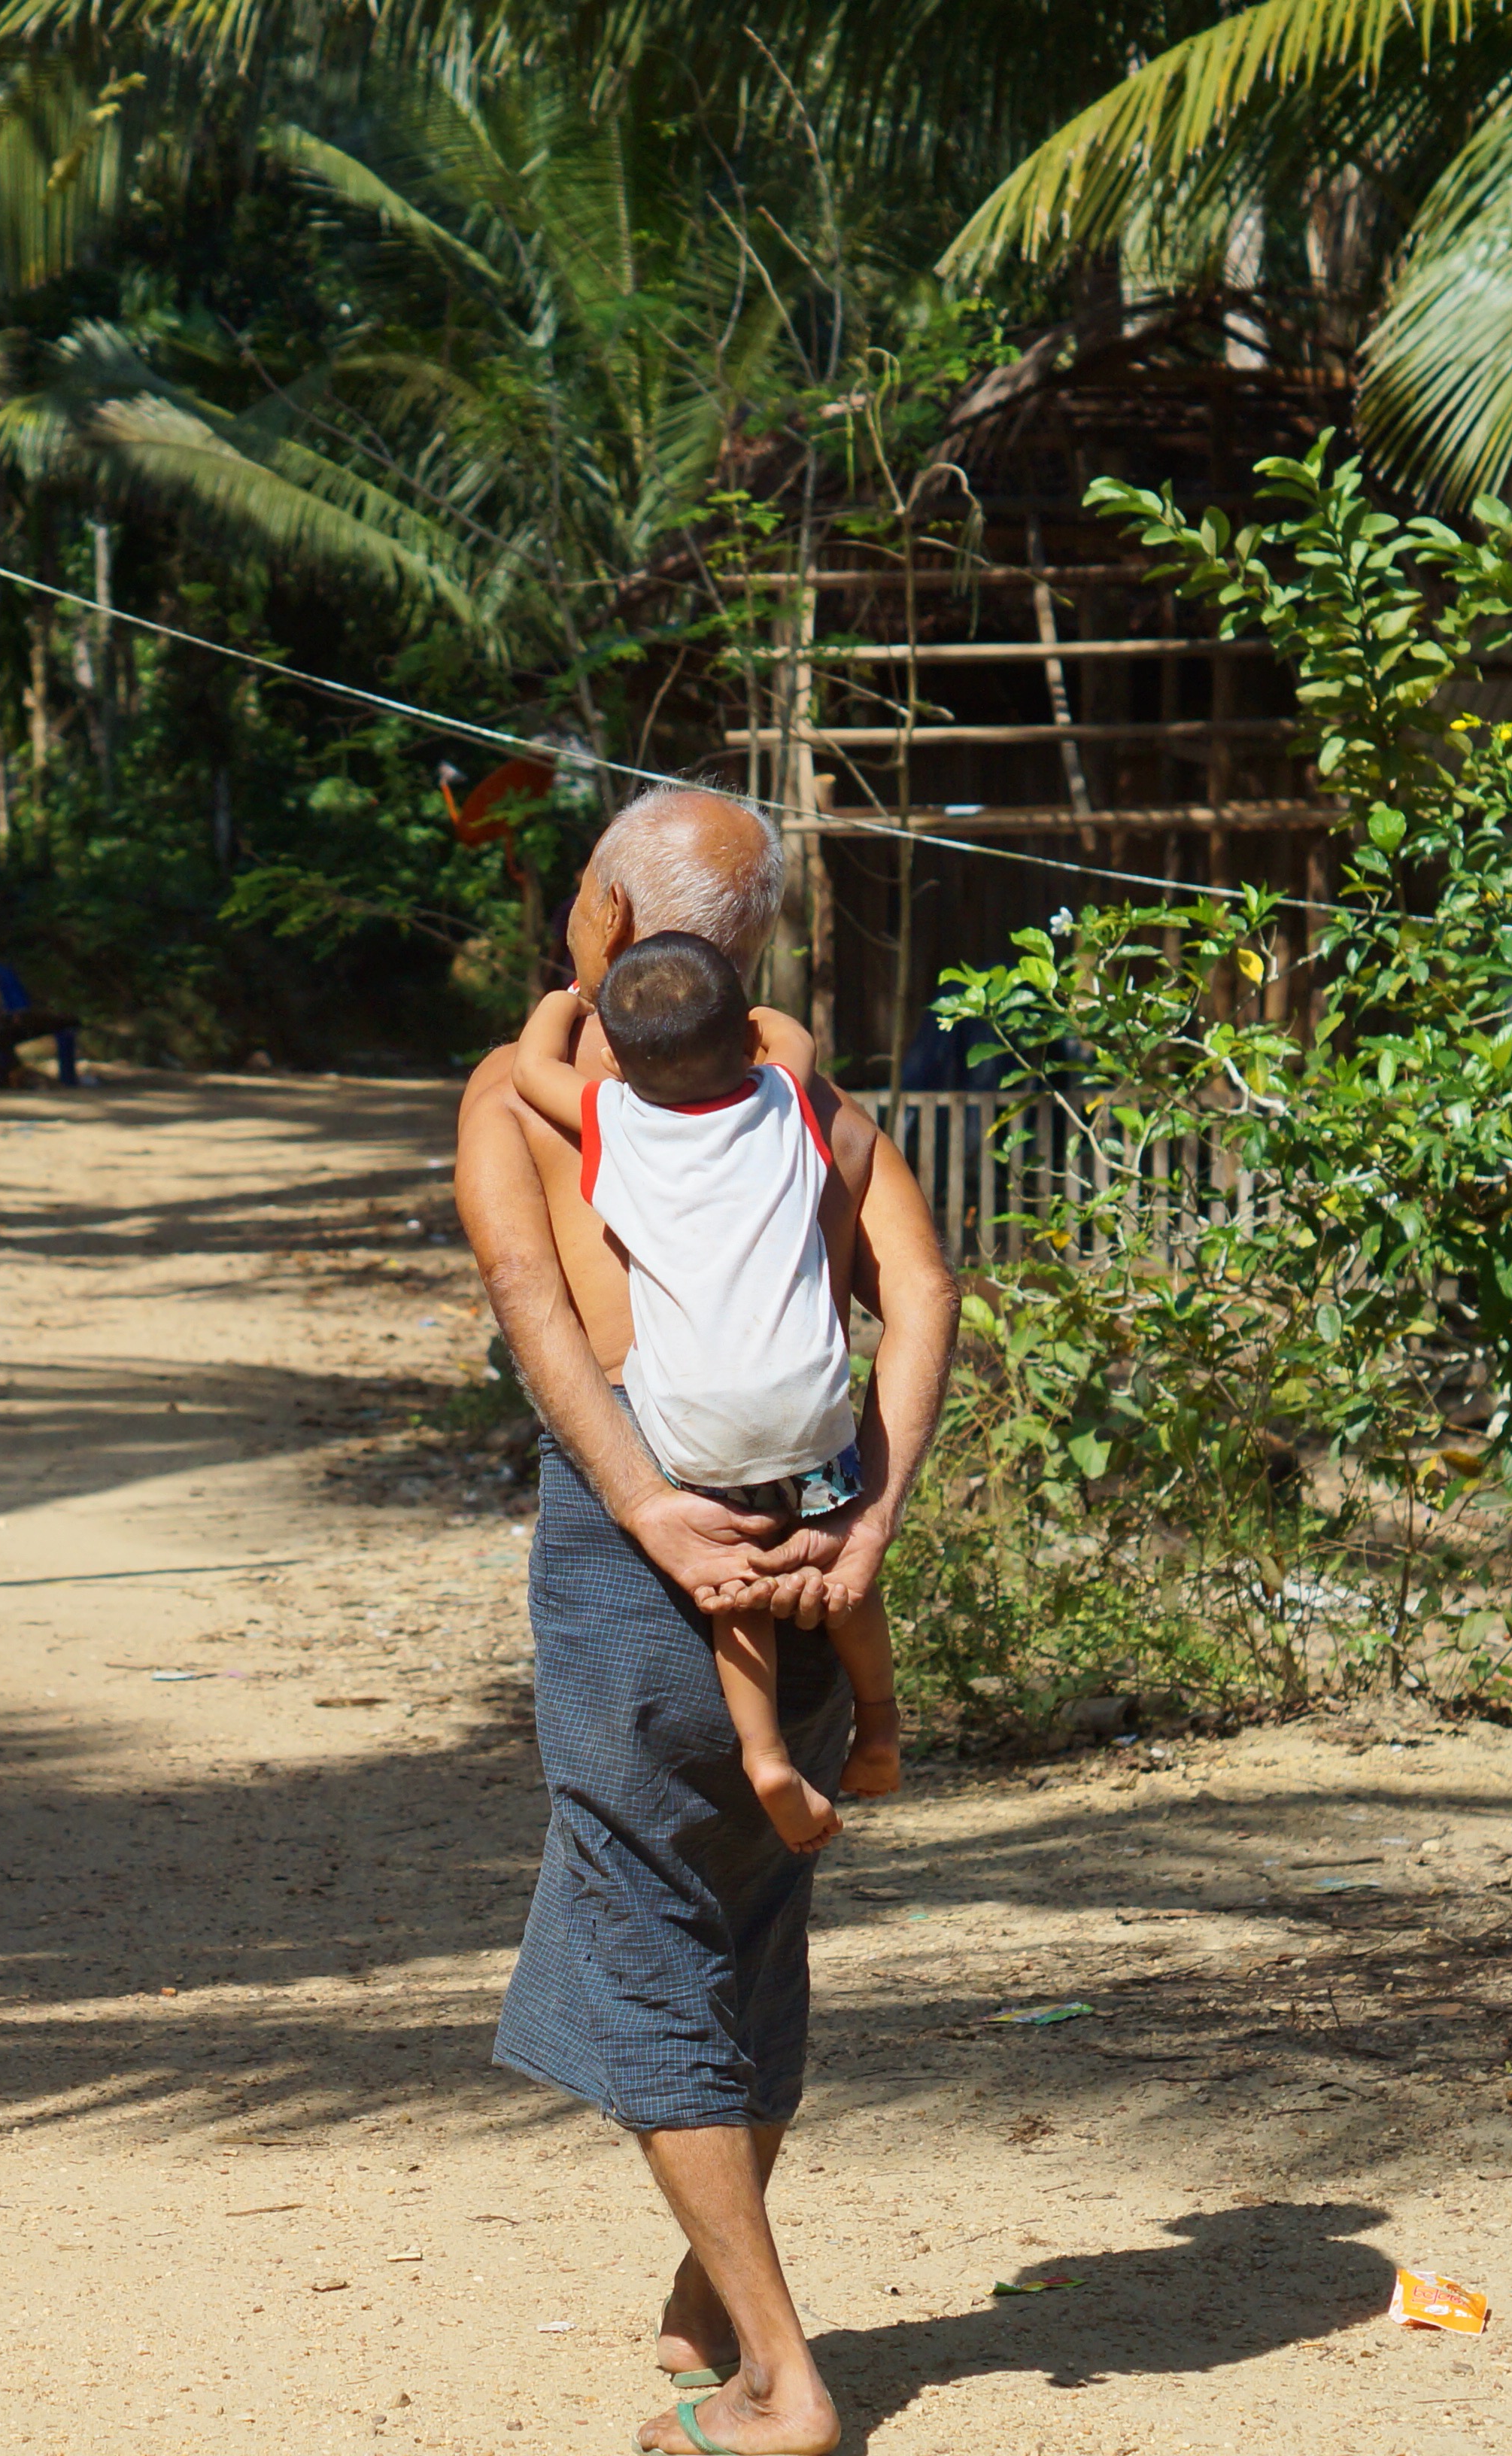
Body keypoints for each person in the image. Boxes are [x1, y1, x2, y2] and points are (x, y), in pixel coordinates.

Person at [455, 785, 953, 2456]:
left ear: (600, 927)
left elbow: (540, 1317)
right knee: (744, 1929)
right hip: (815, 1548)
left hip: (642, 1562)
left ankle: (779, 2379)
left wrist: (654, 1513)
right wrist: (870, 1519)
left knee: (642, 1938)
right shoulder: (792, 1081)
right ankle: (703, 2299)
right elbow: (921, 1289)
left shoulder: (527, 1104)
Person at [502, 936, 901, 1848]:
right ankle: (877, 1723)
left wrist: (573, 993)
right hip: (808, 1403)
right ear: (743, 1041)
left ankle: (765, 1758)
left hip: (695, 1426)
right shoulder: (785, 1104)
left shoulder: (616, 1125)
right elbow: (788, 1033)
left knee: (741, 1592)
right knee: (843, 1573)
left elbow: (529, 1070)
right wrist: (751, 1016)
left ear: (616, 1056)